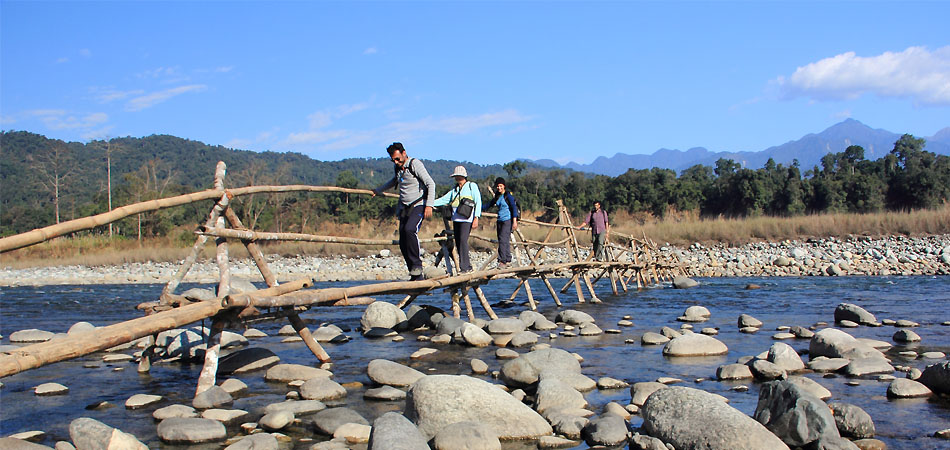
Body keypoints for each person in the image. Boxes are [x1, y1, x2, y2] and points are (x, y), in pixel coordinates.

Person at [372, 142, 436, 281]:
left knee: (410, 230)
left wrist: (429, 206)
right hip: (404, 206)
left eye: (398, 159)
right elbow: (393, 181)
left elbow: (430, 183)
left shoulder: (415, 164)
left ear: (404, 153)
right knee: (402, 240)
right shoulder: (398, 168)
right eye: (393, 160)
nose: (396, 162)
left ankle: (417, 266)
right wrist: (378, 190)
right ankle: (412, 271)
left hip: (418, 204)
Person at [432, 165, 481, 273]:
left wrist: (476, 217)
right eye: (456, 177)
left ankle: (466, 267)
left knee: (463, 240)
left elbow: (478, 201)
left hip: (466, 219)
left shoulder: (471, 186)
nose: (458, 178)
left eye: (459, 176)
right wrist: (430, 203)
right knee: (458, 241)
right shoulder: (455, 190)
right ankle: (464, 266)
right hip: (456, 219)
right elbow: (445, 199)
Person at [484, 177, 519, 268]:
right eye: (498, 186)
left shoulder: (508, 196)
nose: (499, 188)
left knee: (503, 240)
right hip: (500, 220)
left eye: (500, 186)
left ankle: (502, 261)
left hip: (507, 220)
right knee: (503, 240)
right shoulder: (497, 197)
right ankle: (507, 259)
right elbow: (489, 205)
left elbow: (514, 208)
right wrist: (477, 209)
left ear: (504, 186)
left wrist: (514, 221)